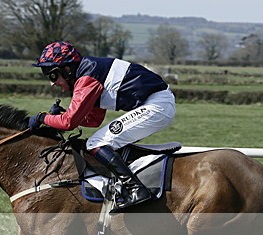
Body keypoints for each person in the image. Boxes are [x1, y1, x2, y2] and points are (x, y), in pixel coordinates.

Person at [29, 41, 176, 212]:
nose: (52, 83)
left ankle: (135, 190)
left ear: (67, 70)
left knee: (96, 143)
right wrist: (58, 116)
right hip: (158, 104)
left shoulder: (87, 79)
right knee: (101, 141)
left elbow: (68, 123)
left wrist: (42, 118)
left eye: (52, 75)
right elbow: (93, 120)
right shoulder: (88, 73)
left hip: (157, 106)